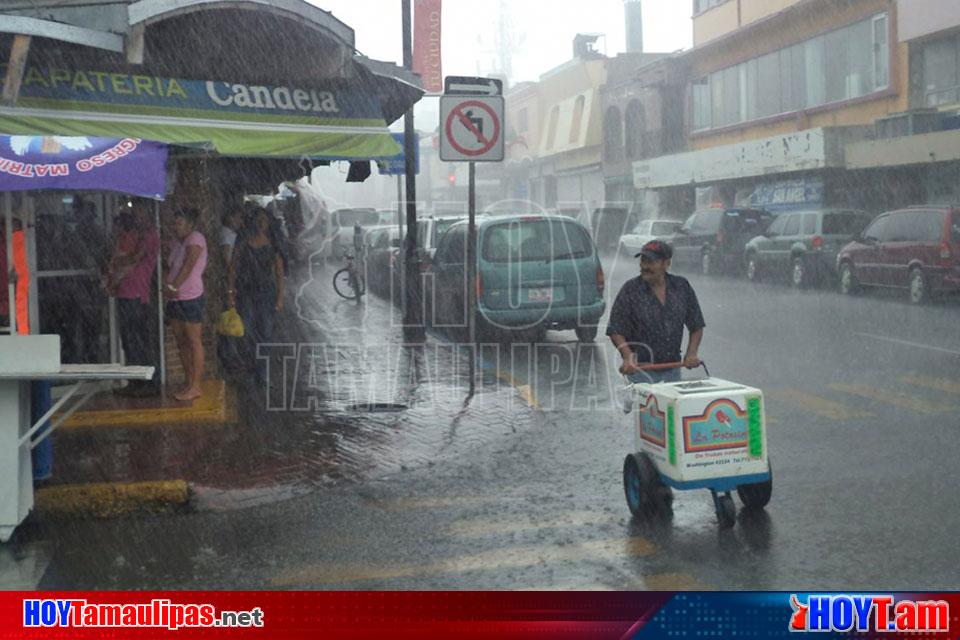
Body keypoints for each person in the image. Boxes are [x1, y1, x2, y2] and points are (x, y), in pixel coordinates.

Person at [606, 240, 705, 383]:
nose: (644, 266)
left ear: (667, 264)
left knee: (671, 406)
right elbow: (616, 330)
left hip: (673, 370)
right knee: (642, 406)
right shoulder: (630, 290)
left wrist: (692, 352)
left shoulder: (681, 287)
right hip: (641, 372)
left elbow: (696, 325)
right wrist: (627, 356)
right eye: (643, 260)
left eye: (651, 262)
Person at [227, 208, 284, 381]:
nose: (261, 224)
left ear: (268, 223)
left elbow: (279, 271)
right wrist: (230, 291)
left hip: (266, 293)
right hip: (246, 291)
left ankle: (262, 369)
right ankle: (252, 368)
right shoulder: (243, 241)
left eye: (264, 220)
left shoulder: (273, 242)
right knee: (248, 332)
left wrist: (280, 295)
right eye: (258, 220)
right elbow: (233, 267)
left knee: (265, 332)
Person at [113, 201, 161, 397]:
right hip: (125, 291)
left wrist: (114, 260)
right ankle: (134, 381)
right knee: (129, 341)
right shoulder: (135, 234)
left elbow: (135, 258)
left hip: (137, 294)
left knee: (139, 340)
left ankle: (148, 382)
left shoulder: (150, 235)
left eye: (139, 211)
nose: (136, 215)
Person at [165, 207, 208, 402]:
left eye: (180, 223)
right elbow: (171, 265)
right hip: (175, 297)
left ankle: (196, 385)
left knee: (193, 340)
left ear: (190, 225)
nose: (176, 227)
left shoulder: (195, 239)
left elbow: (188, 265)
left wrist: (174, 286)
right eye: (175, 223)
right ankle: (189, 379)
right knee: (181, 341)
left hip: (190, 295)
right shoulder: (176, 242)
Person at [104, 211, 142, 295]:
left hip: (125, 270)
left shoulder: (127, 238)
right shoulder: (119, 238)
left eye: (117, 226)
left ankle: (111, 287)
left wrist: (116, 261)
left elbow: (127, 256)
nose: (115, 228)